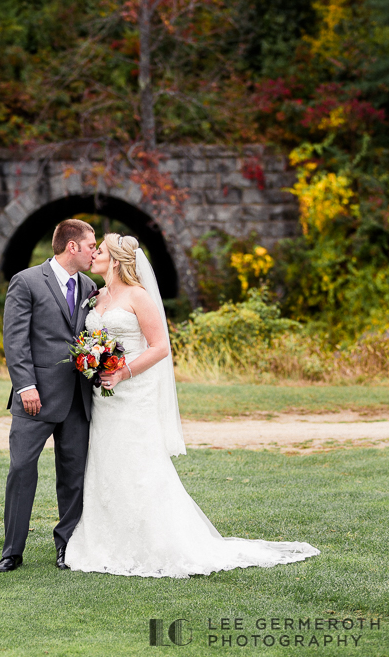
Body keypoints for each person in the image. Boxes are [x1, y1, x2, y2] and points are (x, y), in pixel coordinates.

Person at [65, 233, 320, 578]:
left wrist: (122, 372)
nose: (92, 254)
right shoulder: (97, 297)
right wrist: (93, 361)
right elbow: (94, 339)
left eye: (99, 251)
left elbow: (159, 347)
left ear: (115, 260)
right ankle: (106, 539)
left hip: (132, 390)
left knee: (138, 461)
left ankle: (156, 541)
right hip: (104, 395)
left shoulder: (138, 296)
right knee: (106, 459)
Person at [0, 218, 97, 572]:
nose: (94, 252)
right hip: (34, 397)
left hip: (77, 399)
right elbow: (15, 338)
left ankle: (66, 546)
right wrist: (26, 386)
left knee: (74, 475)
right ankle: (12, 551)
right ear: (72, 247)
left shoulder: (89, 286)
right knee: (22, 469)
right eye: (90, 246)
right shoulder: (25, 281)